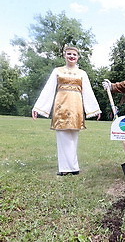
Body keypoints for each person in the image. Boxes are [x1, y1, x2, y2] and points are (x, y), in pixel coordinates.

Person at [32, 46, 101, 176]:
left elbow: (88, 91)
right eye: (69, 54)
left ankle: (74, 167)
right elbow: (48, 89)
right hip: (61, 106)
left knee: (73, 136)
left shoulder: (82, 73)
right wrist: (38, 107)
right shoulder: (57, 71)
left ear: (78, 57)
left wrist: (94, 109)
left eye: (74, 54)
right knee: (62, 136)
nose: (71, 56)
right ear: (64, 55)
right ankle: (64, 168)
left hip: (76, 106)